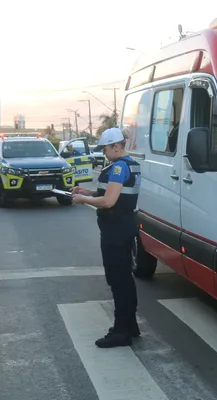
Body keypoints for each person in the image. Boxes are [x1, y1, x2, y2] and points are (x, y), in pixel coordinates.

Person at [70, 127, 142, 348]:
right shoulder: (127, 164)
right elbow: (112, 193)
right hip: (122, 226)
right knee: (124, 278)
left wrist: (84, 202)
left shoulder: (119, 167)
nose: (104, 152)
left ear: (117, 146)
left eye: (106, 148)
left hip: (116, 229)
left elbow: (109, 201)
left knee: (118, 279)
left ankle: (121, 332)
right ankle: (130, 324)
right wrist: (88, 192)